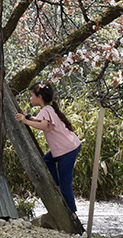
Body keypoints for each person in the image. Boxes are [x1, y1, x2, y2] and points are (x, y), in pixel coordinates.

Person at [15, 81, 81, 216]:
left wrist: (25, 121)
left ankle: (72, 212)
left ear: (39, 97)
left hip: (66, 150)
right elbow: (40, 121)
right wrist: (27, 116)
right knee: (47, 160)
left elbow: (43, 126)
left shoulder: (46, 110)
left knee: (65, 182)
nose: (30, 98)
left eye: (32, 95)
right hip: (68, 146)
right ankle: (57, 185)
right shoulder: (49, 109)